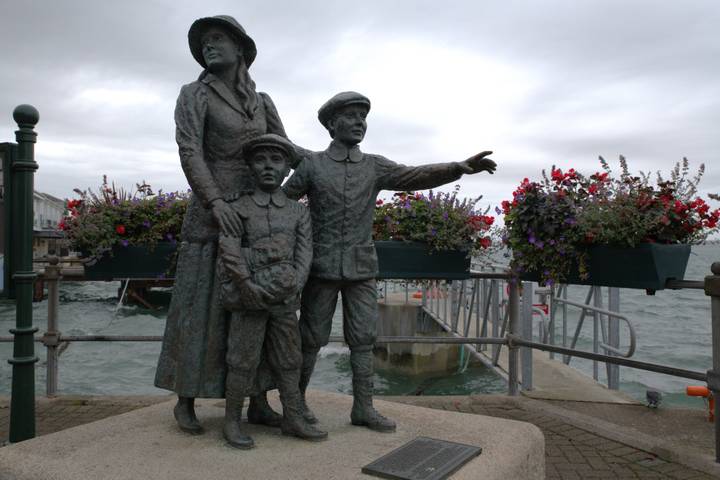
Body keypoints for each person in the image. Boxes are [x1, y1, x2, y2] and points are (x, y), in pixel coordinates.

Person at [284, 91, 496, 432]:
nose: (358, 123)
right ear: (331, 124)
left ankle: (363, 409)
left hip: (362, 268)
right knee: (310, 338)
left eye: (362, 118)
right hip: (320, 268)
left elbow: (413, 176)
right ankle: (295, 406)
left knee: (364, 338)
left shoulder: (375, 166)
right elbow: (282, 203)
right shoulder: (312, 165)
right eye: (351, 116)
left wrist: (457, 168)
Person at [155, 15, 291, 435]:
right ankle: (186, 398)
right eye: (204, 42)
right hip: (212, 214)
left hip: (256, 218)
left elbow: (284, 151)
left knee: (255, 309)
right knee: (202, 307)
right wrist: (214, 200)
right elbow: (189, 151)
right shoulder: (194, 94)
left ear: (239, 49)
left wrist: (326, 167)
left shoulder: (262, 100)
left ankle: (258, 399)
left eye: (217, 40)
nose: (208, 47)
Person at [217, 133, 327, 448]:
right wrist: (246, 284)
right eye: (261, 160)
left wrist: (294, 283)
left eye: (276, 160)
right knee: (242, 358)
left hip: (283, 298)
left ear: (286, 168)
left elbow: (305, 254)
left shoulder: (297, 211)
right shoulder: (236, 207)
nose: (268, 166)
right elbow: (229, 250)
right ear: (250, 165)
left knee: (289, 357)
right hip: (248, 297)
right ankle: (231, 421)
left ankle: (292, 415)